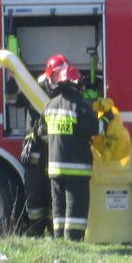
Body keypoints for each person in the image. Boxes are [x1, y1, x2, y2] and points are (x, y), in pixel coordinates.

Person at [41, 54, 99, 241]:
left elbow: (42, 132)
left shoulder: (50, 105)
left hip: (55, 166)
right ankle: (73, 239)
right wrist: (106, 118)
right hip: (77, 166)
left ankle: (58, 236)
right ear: (76, 84)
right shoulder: (80, 105)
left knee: (58, 204)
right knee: (76, 203)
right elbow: (94, 129)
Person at [19, 69, 54, 238]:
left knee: (51, 198)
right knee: (36, 198)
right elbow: (13, 99)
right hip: (36, 155)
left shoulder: (56, 96)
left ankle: (50, 231)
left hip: (49, 156)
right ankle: (37, 231)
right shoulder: (32, 94)